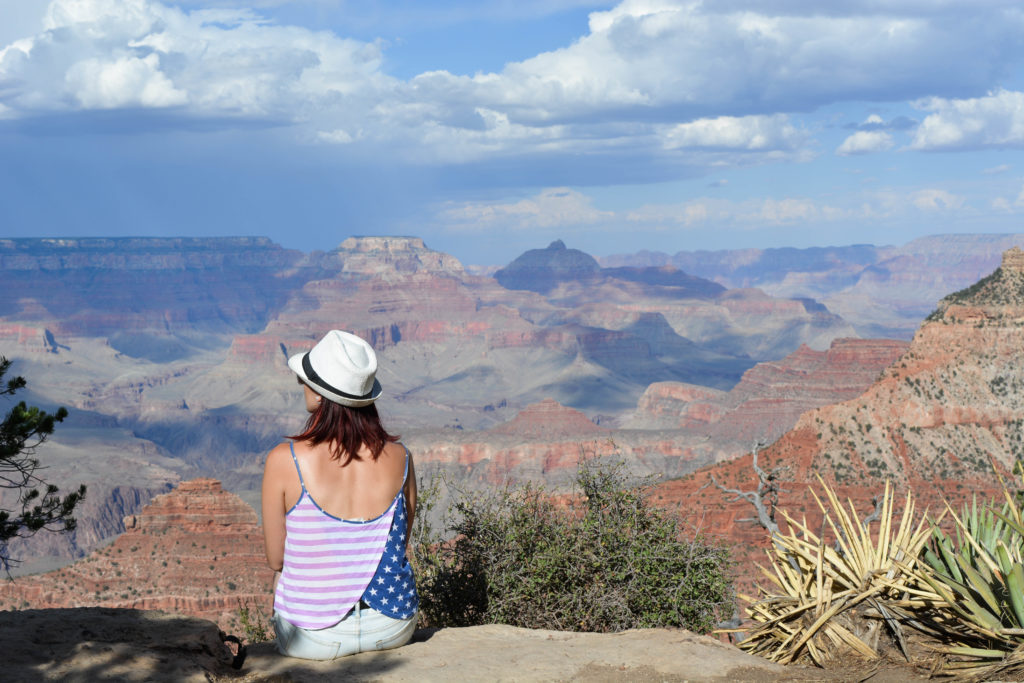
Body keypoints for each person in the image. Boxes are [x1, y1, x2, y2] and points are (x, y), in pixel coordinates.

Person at [261, 329, 418, 660]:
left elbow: (276, 560)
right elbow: (398, 543)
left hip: (312, 640)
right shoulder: (402, 457)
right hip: (393, 628)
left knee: (283, 582)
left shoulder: (283, 460)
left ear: (319, 395)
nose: (300, 385)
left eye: (305, 379)